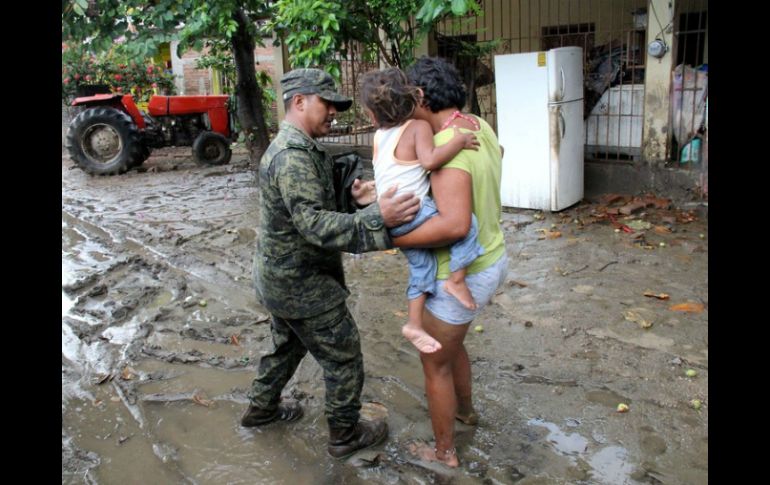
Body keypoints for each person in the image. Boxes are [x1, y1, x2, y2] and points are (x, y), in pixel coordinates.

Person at [241, 68, 421, 460]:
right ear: (299, 101)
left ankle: (261, 408)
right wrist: (379, 217)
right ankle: (344, 433)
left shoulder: (300, 148)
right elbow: (312, 225)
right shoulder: (292, 157)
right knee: (343, 356)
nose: (334, 113)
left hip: (280, 278)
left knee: (286, 345)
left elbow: (307, 211)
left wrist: (352, 199)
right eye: (327, 104)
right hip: (303, 284)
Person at [394, 57, 508, 468]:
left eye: (406, 97)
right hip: (493, 259)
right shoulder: (477, 125)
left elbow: (456, 224)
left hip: (461, 274)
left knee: (435, 362)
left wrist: (393, 235)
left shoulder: (445, 148)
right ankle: (465, 411)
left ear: (420, 97)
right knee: (453, 346)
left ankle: (444, 453)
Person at [360, 67, 484, 355]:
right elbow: (429, 161)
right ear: (411, 100)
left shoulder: (378, 137)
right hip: (414, 211)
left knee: (422, 269)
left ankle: (414, 324)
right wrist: (459, 141)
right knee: (468, 224)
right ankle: (456, 280)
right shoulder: (418, 128)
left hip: (390, 216)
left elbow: (385, 174)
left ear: (373, 115)